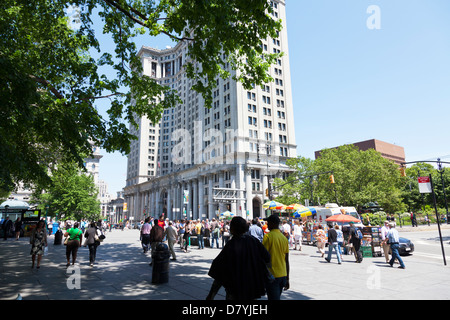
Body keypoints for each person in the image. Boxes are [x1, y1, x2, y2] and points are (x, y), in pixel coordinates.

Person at [206, 216, 271, 300]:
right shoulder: (253, 241)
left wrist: (211, 295)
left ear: (232, 229)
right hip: (251, 286)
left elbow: (219, 269)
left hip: (235, 288)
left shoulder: (231, 244)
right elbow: (267, 257)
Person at [263, 214, 290, 300]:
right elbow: (287, 260)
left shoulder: (268, 236)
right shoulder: (284, 238)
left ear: (273, 223)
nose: (267, 225)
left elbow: (263, 257)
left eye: (268, 223)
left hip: (272, 275)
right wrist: (287, 278)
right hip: (283, 274)